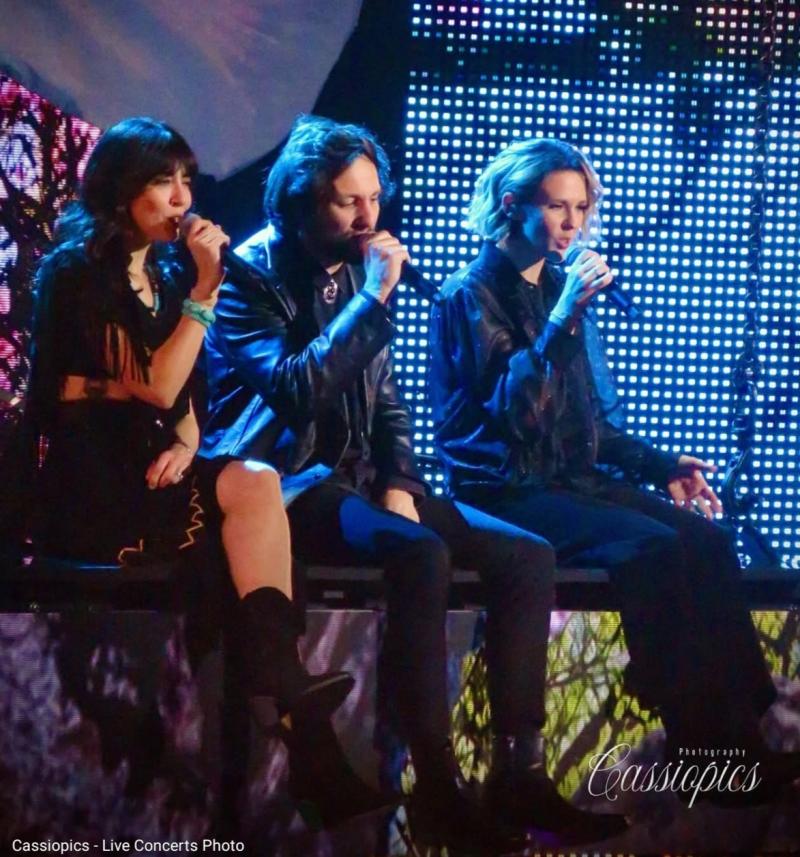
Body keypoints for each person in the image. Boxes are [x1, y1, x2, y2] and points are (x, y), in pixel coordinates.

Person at [198, 114, 628, 850]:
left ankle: (519, 770)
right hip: (287, 479)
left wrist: (400, 476)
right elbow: (296, 391)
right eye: (348, 201)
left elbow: (386, 399)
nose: (368, 217)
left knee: (526, 556)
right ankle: (434, 782)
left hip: (363, 478)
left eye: (374, 198)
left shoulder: (355, 272)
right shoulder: (250, 274)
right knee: (419, 552)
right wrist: (371, 301)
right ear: (303, 200)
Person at [428, 136, 800, 805]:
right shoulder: (468, 294)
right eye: (557, 207)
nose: (572, 223)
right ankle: (699, 743)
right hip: (506, 488)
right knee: (651, 547)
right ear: (512, 205)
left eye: (581, 209)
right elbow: (516, 415)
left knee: (707, 541)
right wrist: (562, 319)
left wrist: (664, 466)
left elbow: (589, 423)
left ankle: (745, 732)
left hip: (571, 480)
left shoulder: (558, 291)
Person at [17, 116, 354, 802]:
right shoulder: (77, 272)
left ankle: (283, 682)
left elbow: (186, 392)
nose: (182, 199)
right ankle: (282, 719)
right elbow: (154, 381)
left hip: (156, 457)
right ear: (122, 190)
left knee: (257, 482)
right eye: (163, 182)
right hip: (96, 478)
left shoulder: (166, 271)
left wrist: (187, 440)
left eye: (186, 182)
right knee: (225, 561)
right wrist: (204, 292)